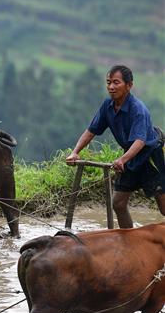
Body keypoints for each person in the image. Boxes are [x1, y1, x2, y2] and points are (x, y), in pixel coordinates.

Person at [66, 65, 165, 228]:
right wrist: (75, 152)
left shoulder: (138, 110)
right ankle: (129, 242)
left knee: (163, 208)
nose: (111, 87)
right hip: (130, 158)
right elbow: (91, 131)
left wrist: (122, 160)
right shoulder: (108, 106)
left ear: (129, 85)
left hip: (151, 157)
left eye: (116, 82)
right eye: (109, 82)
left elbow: (140, 141)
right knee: (118, 204)